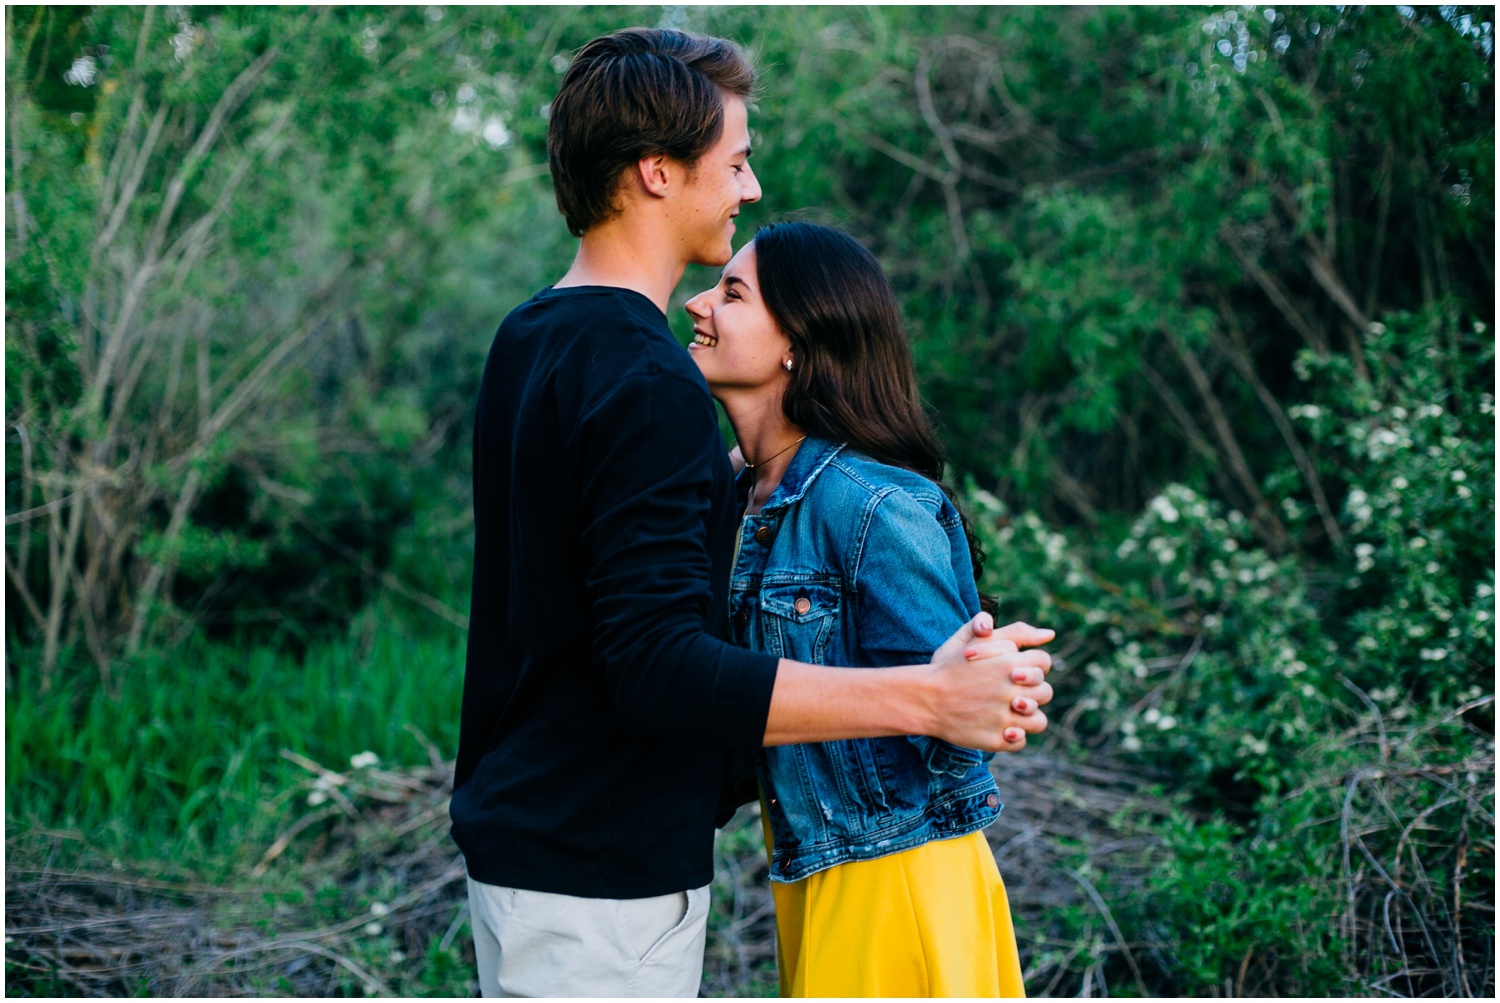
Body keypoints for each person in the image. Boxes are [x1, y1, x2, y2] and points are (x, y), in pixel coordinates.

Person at [450, 28, 1053, 998]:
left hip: (536, 843)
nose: (751, 185)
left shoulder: (532, 337)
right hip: (600, 871)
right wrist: (928, 696)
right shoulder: (643, 382)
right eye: (733, 161)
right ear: (657, 172)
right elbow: (654, 665)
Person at [684, 221, 1029, 996]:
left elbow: (957, 730)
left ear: (796, 344)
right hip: (813, 871)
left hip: (900, 880)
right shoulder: (740, 499)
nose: (697, 303)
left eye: (732, 292)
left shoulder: (872, 503)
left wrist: (987, 676)